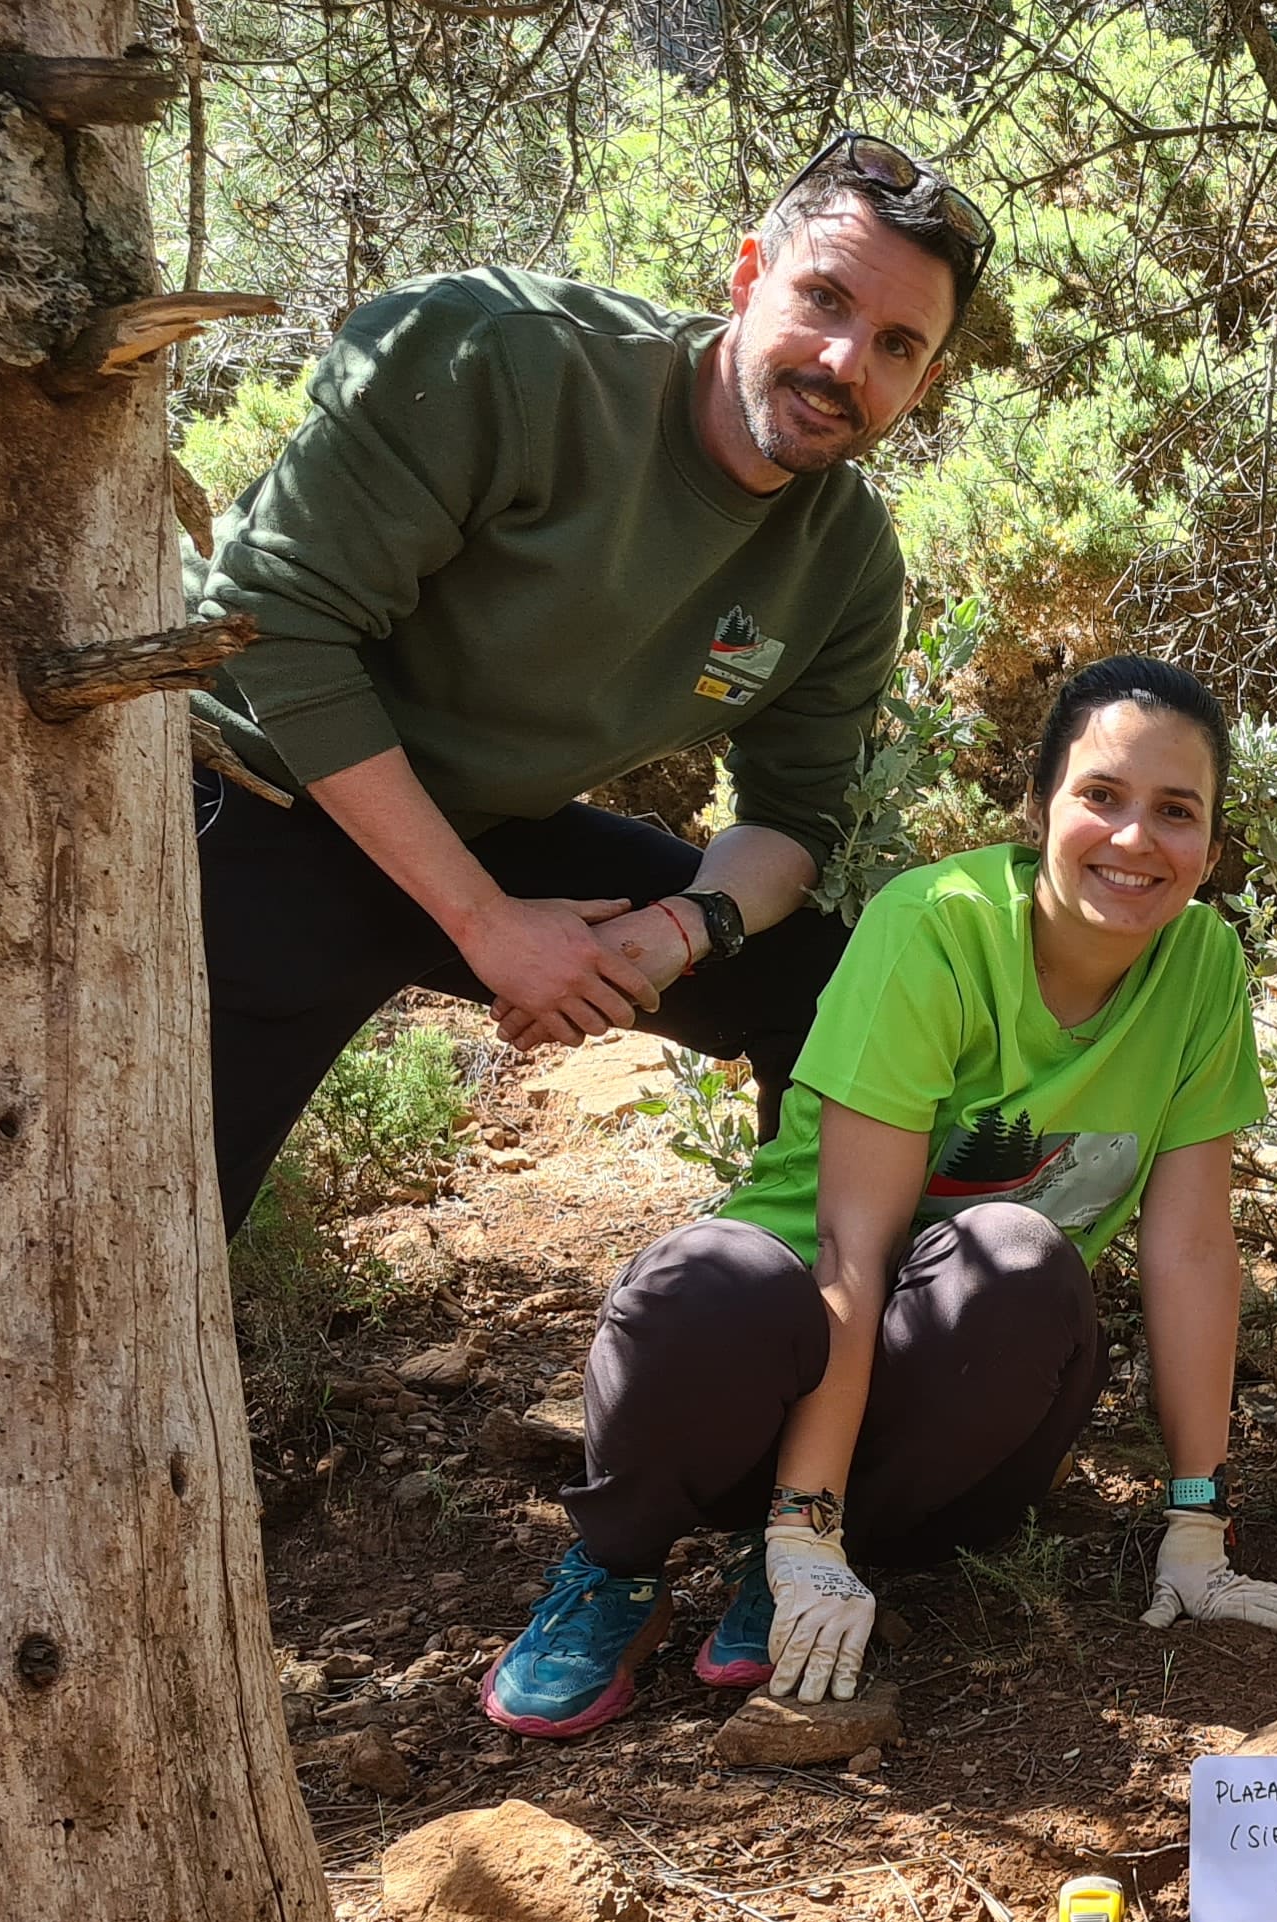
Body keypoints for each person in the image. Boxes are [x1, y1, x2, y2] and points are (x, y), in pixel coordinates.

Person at [482, 656, 1277, 1736]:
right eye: (1101, 797)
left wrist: (1197, 1514)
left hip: (932, 1414)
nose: (1135, 839)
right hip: (769, 1359)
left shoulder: (1201, 966)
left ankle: (804, 1560)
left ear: (1209, 844)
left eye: (1176, 812)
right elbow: (848, 1250)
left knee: (1020, 1261)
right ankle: (621, 1567)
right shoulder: (938, 925)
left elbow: (1195, 1250)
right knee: (710, 1281)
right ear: (1040, 806)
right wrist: (803, 1519)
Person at [184, 131, 991, 1225]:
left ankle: (798, 1318)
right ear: (748, 274)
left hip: (490, 823)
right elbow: (268, 621)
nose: (847, 364)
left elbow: (796, 820)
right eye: (824, 300)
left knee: (827, 984)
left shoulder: (844, 562)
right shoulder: (504, 359)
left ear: (926, 381)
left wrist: (674, 933)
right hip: (257, 796)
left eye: (897, 345)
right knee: (157, 1232)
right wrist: (487, 924)